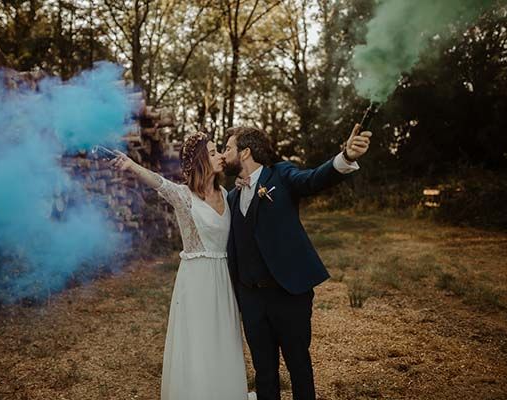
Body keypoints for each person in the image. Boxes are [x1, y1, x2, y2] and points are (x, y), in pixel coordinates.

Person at [222, 124, 372, 400]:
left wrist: (346, 157)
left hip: (288, 293)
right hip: (251, 297)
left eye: (228, 148)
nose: (223, 154)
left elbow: (313, 179)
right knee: (263, 371)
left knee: (298, 367)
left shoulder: (281, 174)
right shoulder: (231, 196)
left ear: (244, 152)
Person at [111, 132, 255, 400]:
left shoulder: (227, 193)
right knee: (199, 343)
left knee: (224, 340)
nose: (220, 156)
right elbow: (159, 183)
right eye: (212, 153)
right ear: (201, 160)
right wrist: (131, 165)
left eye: (218, 151)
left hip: (224, 279)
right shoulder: (184, 197)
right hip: (197, 279)